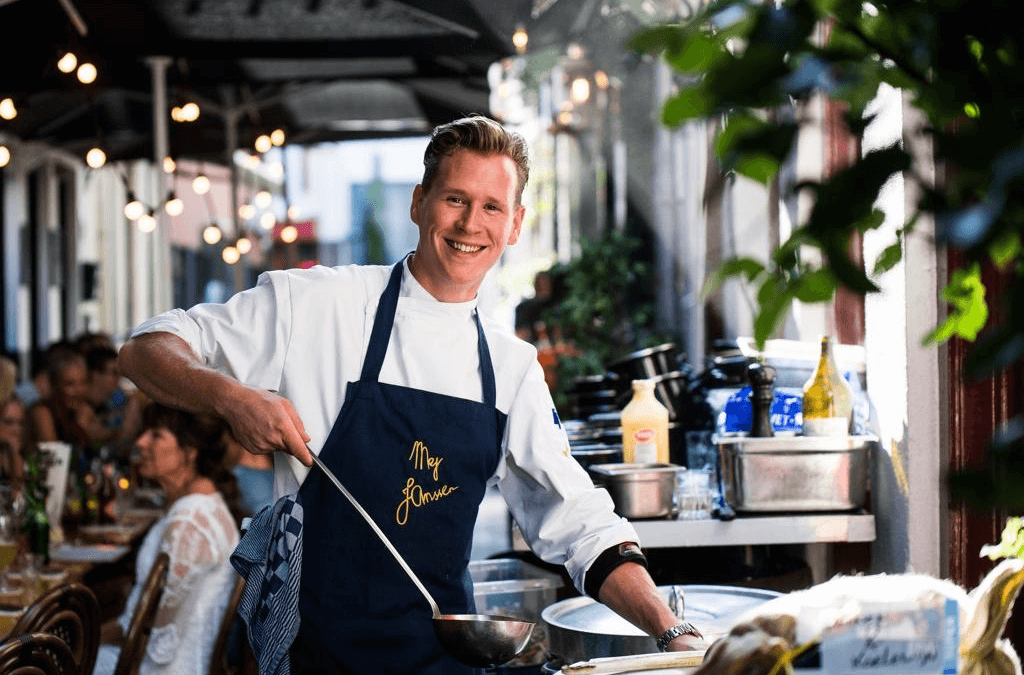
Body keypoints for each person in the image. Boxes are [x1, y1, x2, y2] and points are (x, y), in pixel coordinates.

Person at [117, 115, 703, 674]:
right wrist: (229, 397)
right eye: (455, 199)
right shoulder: (318, 306)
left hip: (442, 658)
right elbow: (145, 350)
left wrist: (672, 633)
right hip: (319, 656)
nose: (472, 224)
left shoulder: (511, 369)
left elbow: (579, 523)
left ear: (515, 224)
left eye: (492, 207)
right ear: (419, 202)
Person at [93, 402, 241, 675]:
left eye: (156, 434)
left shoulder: (190, 522)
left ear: (190, 451)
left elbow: (153, 640)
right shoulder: (199, 506)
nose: (141, 442)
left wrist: (78, 646)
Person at [0, 395, 26, 488]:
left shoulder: (28, 456)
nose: (17, 429)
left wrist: (15, 453)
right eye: (8, 422)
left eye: (21, 423)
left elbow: (20, 495)